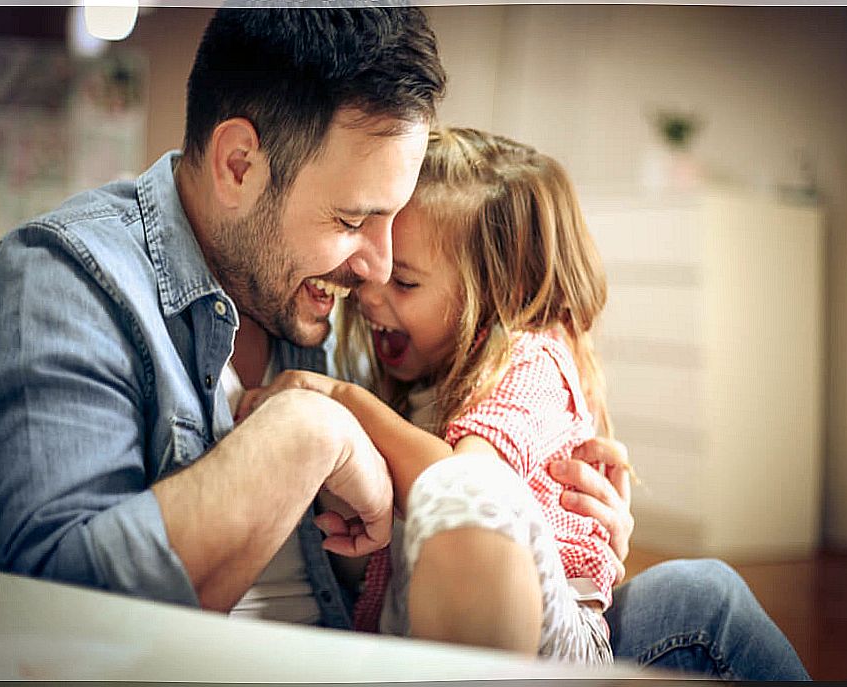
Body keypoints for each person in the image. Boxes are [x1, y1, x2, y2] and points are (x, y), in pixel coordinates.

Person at [0, 6, 809, 680]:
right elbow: (51, 621)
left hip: (383, 640)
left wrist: (563, 527)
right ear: (239, 163)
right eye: (354, 218)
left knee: (702, 596)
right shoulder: (60, 286)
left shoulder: (306, 295)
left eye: (392, 223)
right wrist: (307, 432)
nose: (379, 267)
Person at [238, 127, 626, 664]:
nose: (369, 292)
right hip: (413, 630)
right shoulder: (415, 381)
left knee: (463, 490)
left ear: (500, 292)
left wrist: (340, 401)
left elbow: (466, 483)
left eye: (405, 282)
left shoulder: (533, 362)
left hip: (554, 639)